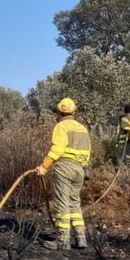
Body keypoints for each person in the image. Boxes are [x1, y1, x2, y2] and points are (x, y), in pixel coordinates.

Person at [36, 98, 91, 250]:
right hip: (79, 169)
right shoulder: (82, 128)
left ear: (59, 112)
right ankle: (81, 239)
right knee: (74, 203)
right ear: (74, 112)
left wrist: (44, 167)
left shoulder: (61, 126)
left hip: (64, 168)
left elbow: (57, 149)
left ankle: (62, 240)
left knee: (62, 203)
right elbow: (87, 152)